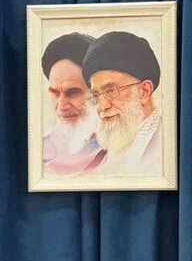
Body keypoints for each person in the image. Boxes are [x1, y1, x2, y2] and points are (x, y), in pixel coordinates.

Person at [81, 31, 162, 176]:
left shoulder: (165, 145)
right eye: (96, 95)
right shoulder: (103, 155)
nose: (102, 106)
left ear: (144, 91)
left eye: (111, 91)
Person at [40, 32, 104, 175]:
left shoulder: (121, 153)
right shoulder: (38, 152)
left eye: (73, 92)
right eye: (55, 93)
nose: (61, 106)